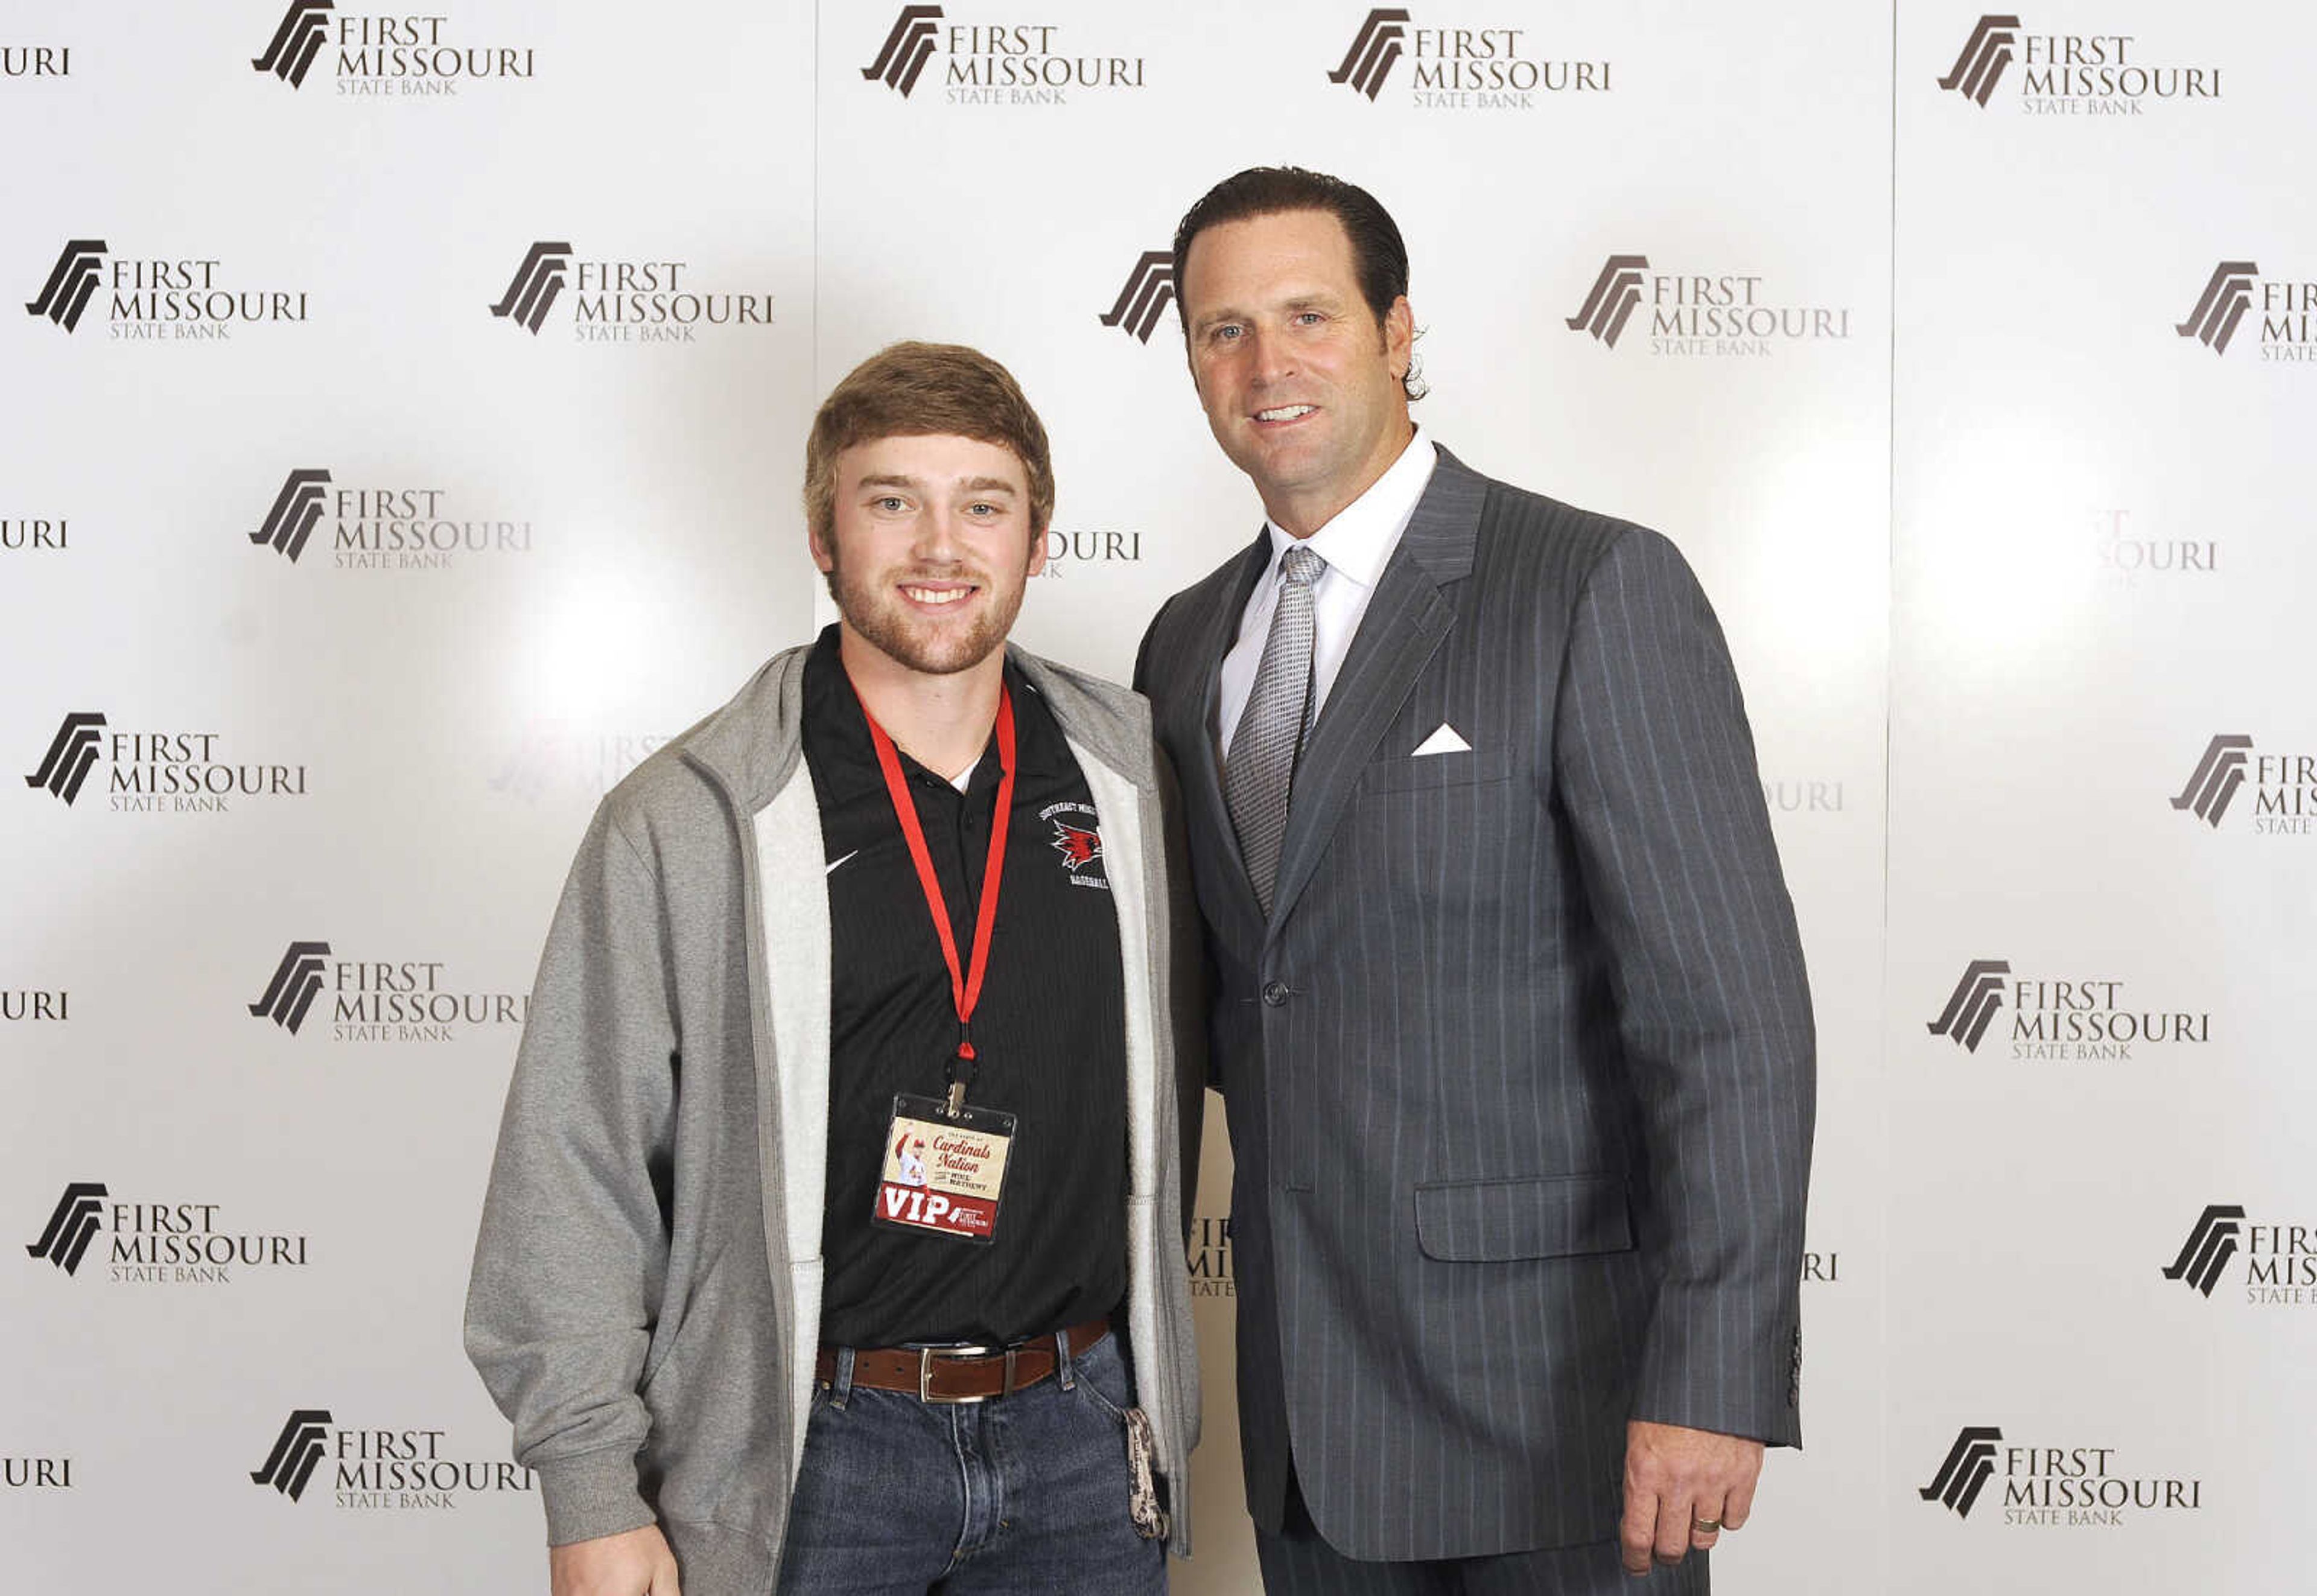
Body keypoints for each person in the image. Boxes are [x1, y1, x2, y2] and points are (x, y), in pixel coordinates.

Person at [1134, 167, 1815, 1593]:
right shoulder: (1187, 644)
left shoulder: (1589, 588)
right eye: (1223, 330)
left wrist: (1713, 1376)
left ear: (1398, 332)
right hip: (1308, 1431)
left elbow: (1730, 1024)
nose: (1267, 365)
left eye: (1309, 314)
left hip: (1554, 1424)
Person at [468, 342, 1202, 1596]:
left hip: (1082, 1439)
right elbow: (572, 1158)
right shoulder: (691, 814)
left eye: (983, 504)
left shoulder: (1128, 773)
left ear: (1037, 541)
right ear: (822, 536)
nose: (940, 546)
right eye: (890, 501)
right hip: (817, 1455)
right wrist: (590, 1489)